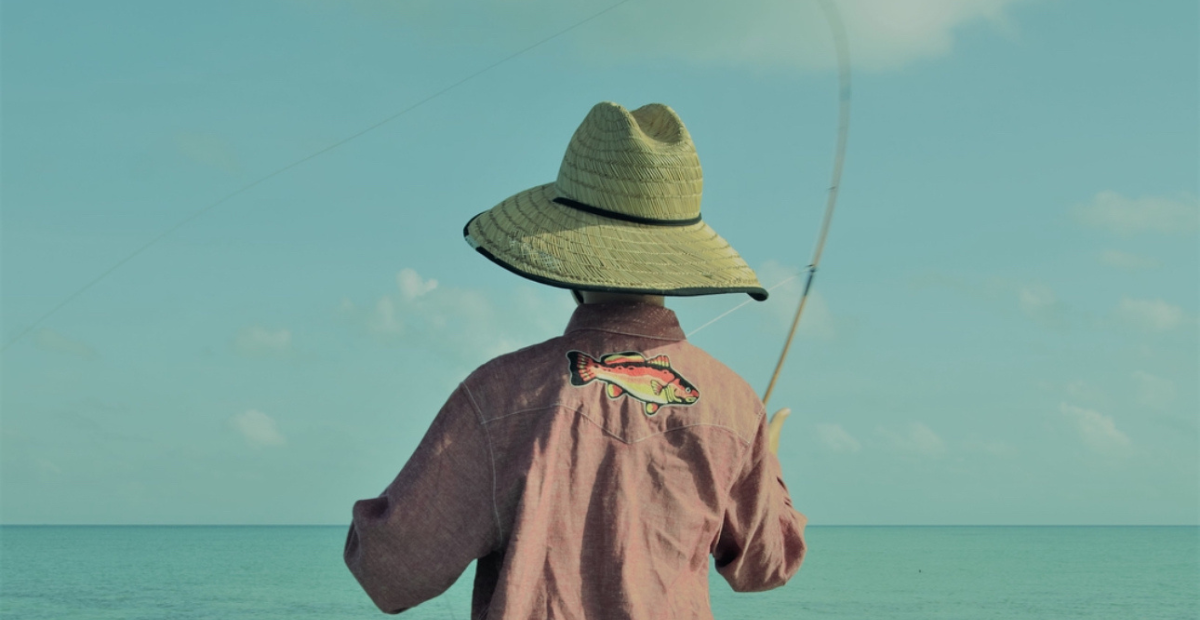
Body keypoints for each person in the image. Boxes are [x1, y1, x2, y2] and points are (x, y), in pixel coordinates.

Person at [344, 101, 806, 619]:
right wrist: (768, 460)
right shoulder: (733, 404)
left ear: (569, 259)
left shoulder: (498, 394)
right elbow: (766, 566)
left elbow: (390, 572)